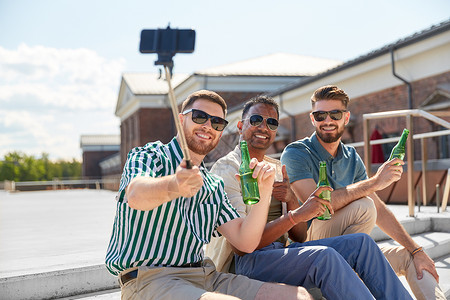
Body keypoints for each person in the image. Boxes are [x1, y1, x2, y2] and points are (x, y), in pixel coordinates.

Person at [105, 90, 313, 300]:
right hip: (150, 279)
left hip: (204, 275)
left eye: (217, 122)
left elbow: (245, 242)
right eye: (199, 117)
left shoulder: (212, 185)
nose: (207, 126)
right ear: (181, 120)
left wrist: (265, 190)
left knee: (298, 296)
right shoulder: (150, 156)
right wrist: (174, 185)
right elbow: (135, 194)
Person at [205, 95, 413, 300]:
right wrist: (295, 215)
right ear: (241, 126)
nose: (263, 127)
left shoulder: (277, 169)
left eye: (271, 123)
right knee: (325, 257)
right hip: (246, 262)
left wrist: (291, 200)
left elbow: (300, 236)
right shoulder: (228, 169)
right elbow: (243, 247)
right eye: (256, 120)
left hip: (280, 251)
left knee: (362, 244)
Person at [280, 85, 445, 300]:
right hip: (310, 247)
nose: (327, 121)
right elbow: (317, 205)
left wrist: (416, 249)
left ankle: (354, 272)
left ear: (346, 118)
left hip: (349, 249)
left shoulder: (350, 156)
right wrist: (374, 182)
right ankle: (350, 272)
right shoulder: (296, 153)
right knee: (363, 206)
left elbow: (379, 209)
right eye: (320, 115)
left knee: (411, 259)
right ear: (313, 119)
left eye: (335, 114)